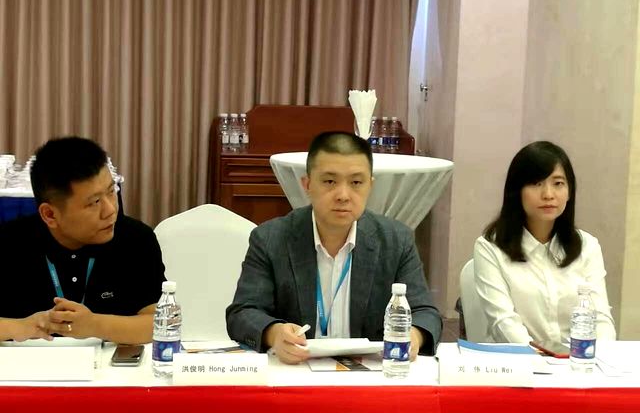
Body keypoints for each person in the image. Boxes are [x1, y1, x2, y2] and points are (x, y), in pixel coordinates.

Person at [226, 131, 441, 364]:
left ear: (370, 186)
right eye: (329, 181)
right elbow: (242, 313)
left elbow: (426, 314)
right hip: (297, 371)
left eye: (356, 183)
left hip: (370, 374)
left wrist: (413, 336)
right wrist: (274, 333)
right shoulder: (271, 238)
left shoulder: (395, 240)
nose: (343, 195)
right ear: (307, 184)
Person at [0, 137, 166, 344]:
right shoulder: (8, 243)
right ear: (50, 215)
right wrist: (23, 327)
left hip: (109, 363)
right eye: (94, 202)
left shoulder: (136, 239)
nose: (110, 210)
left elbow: (160, 324)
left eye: (111, 192)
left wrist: (94, 325)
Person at [473, 141, 616, 344]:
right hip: (522, 359)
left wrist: (599, 356)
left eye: (558, 183)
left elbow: (601, 319)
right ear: (516, 191)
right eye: (536, 183)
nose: (548, 194)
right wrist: (544, 358)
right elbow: (504, 322)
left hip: (579, 359)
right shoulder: (490, 248)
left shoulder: (587, 246)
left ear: (569, 191)